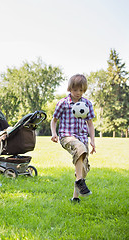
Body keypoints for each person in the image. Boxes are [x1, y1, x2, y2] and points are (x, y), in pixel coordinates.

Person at [50, 74, 96, 203]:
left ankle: (75, 198)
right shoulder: (63, 103)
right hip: (67, 136)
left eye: (81, 90)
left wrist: (92, 140)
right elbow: (53, 121)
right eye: (75, 90)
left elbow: (90, 124)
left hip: (82, 137)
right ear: (70, 89)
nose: (78, 93)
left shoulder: (87, 103)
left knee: (82, 168)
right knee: (79, 148)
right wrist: (54, 133)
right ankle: (80, 181)